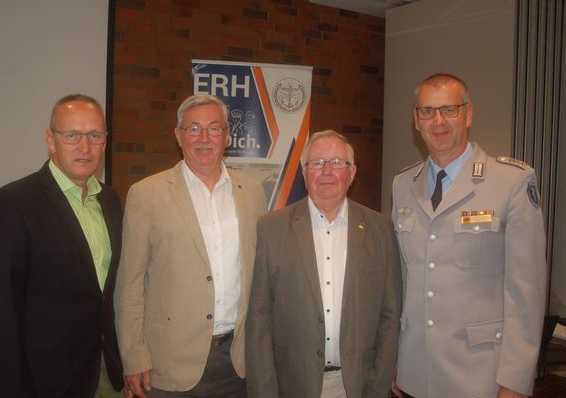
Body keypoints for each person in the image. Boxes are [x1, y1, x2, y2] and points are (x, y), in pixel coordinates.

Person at [391, 73, 547, 398]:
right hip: (413, 375)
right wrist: (393, 360)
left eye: (449, 109)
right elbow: (401, 283)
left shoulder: (511, 182)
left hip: (481, 380)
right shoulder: (403, 185)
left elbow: (526, 294)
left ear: (469, 113)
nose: (438, 121)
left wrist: (514, 384)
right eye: (427, 111)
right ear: (416, 121)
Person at [114, 94, 268, 398]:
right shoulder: (146, 195)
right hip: (168, 365)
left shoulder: (252, 193)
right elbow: (129, 286)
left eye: (214, 128)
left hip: (238, 362)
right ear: (178, 135)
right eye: (194, 128)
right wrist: (133, 358)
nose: (204, 138)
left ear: (227, 136)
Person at [0, 94, 124, 397]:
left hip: (107, 375)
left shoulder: (110, 201)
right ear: (51, 140)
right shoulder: (13, 203)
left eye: (95, 135)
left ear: (105, 141)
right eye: (72, 135)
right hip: (45, 383)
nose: (85, 147)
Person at [246, 130, 402, 398]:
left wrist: (378, 384)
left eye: (337, 163)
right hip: (292, 384)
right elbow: (259, 318)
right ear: (305, 173)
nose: (327, 171)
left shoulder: (381, 229)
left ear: (352, 173)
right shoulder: (272, 228)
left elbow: (390, 315)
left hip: (358, 384)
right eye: (317, 163)